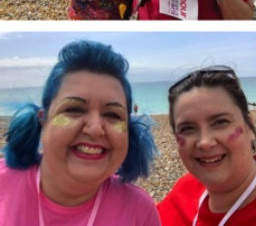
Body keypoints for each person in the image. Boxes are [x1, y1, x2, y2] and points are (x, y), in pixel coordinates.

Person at [0, 40, 158, 224]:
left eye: (112, 114)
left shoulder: (140, 212)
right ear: (43, 120)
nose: (95, 129)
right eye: (74, 109)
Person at [158, 67, 256, 225]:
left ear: (249, 127)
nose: (205, 142)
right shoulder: (185, 190)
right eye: (188, 128)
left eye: (220, 122)